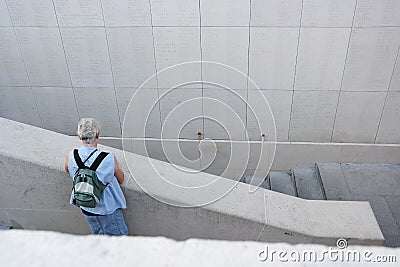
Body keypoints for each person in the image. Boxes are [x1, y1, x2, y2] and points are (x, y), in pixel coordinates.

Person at [64, 118, 128, 236]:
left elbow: (67, 169)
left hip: (86, 205)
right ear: (98, 135)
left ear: (79, 136)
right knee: (119, 238)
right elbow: (121, 179)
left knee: (98, 235)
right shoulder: (108, 158)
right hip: (106, 208)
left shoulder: (71, 155)